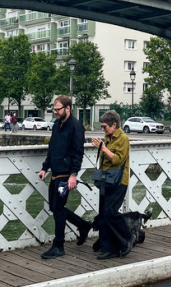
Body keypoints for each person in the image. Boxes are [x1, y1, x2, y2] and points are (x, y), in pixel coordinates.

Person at [37, 95, 92, 259]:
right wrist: (44, 167)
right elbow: (52, 148)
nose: (55, 112)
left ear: (68, 108)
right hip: (54, 174)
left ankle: (58, 245)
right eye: (54, 109)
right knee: (54, 207)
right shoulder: (56, 125)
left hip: (65, 176)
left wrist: (73, 175)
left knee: (58, 209)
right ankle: (83, 225)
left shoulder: (76, 127)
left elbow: (78, 154)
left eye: (58, 109)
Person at [90, 110, 135, 260]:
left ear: (114, 124)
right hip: (107, 180)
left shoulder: (123, 139)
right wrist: (102, 148)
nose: (103, 129)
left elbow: (117, 160)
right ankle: (107, 246)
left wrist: (103, 149)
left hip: (118, 181)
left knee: (109, 211)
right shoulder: (108, 138)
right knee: (104, 213)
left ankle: (127, 236)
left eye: (105, 127)